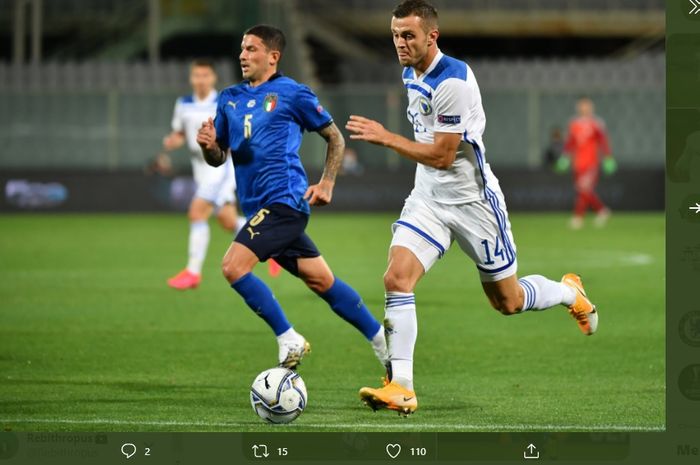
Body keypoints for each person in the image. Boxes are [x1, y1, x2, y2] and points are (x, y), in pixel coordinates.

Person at [345, 0, 598, 415]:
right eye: (395, 35)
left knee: (508, 302)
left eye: (408, 35)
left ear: (432, 36)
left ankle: (569, 292)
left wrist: (386, 138)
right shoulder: (412, 71)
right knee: (396, 277)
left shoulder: (454, 80)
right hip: (428, 198)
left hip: (473, 203)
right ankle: (402, 386)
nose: (400, 43)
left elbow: (445, 155)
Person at [196, 25, 387, 369]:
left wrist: (327, 182)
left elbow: (335, 138)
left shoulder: (293, 93)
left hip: (285, 203)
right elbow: (218, 157)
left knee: (232, 267)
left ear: (273, 56)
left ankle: (289, 337)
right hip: (257, 208)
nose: (243, 55)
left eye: (252, 49)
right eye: (242, 48)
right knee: (322, 281)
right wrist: (209, 146)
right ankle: (382, 341)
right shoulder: (229, 98)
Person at [163, 59, 281, 290]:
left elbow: (236, 132)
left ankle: (193, 272)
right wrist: (173, 140)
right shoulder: (183, 104)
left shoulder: (224, 102)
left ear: (213, 78)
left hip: (220, 166)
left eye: (205, 75)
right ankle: (273, 245)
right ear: (191, 78)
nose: (201, 80)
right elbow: (180, 132)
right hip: (200, 168)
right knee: (227, 221)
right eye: (197, 75)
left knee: (197, 213)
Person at [558, 96, 616, 229]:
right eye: (582, 105)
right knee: (582, 190)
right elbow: (570, 143)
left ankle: (578, 217)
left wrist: (608, 157)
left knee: (584, 188)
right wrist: (565, 157)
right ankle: (602, 211)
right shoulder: (574, 123)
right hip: (578, 163)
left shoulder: (597, 123)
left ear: (591, 107)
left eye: (587, 105)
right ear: (578, 107)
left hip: (591, 163)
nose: (584, 108)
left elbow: (603, 141)